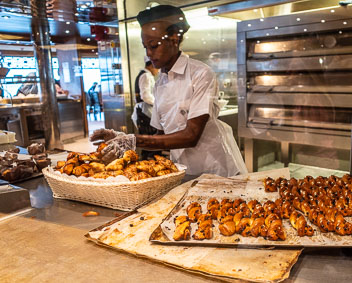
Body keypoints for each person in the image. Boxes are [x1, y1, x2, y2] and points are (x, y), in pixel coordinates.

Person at [90, 5, 247, 177]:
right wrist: (122, 138)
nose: (149, 53)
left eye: (154, 45)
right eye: (145, 47)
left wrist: (133, 140)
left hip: (215, 168)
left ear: (173, 39)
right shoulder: (160, 83)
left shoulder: (200, 74)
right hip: (182, 168)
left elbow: (191, 136)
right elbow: (161, 136)